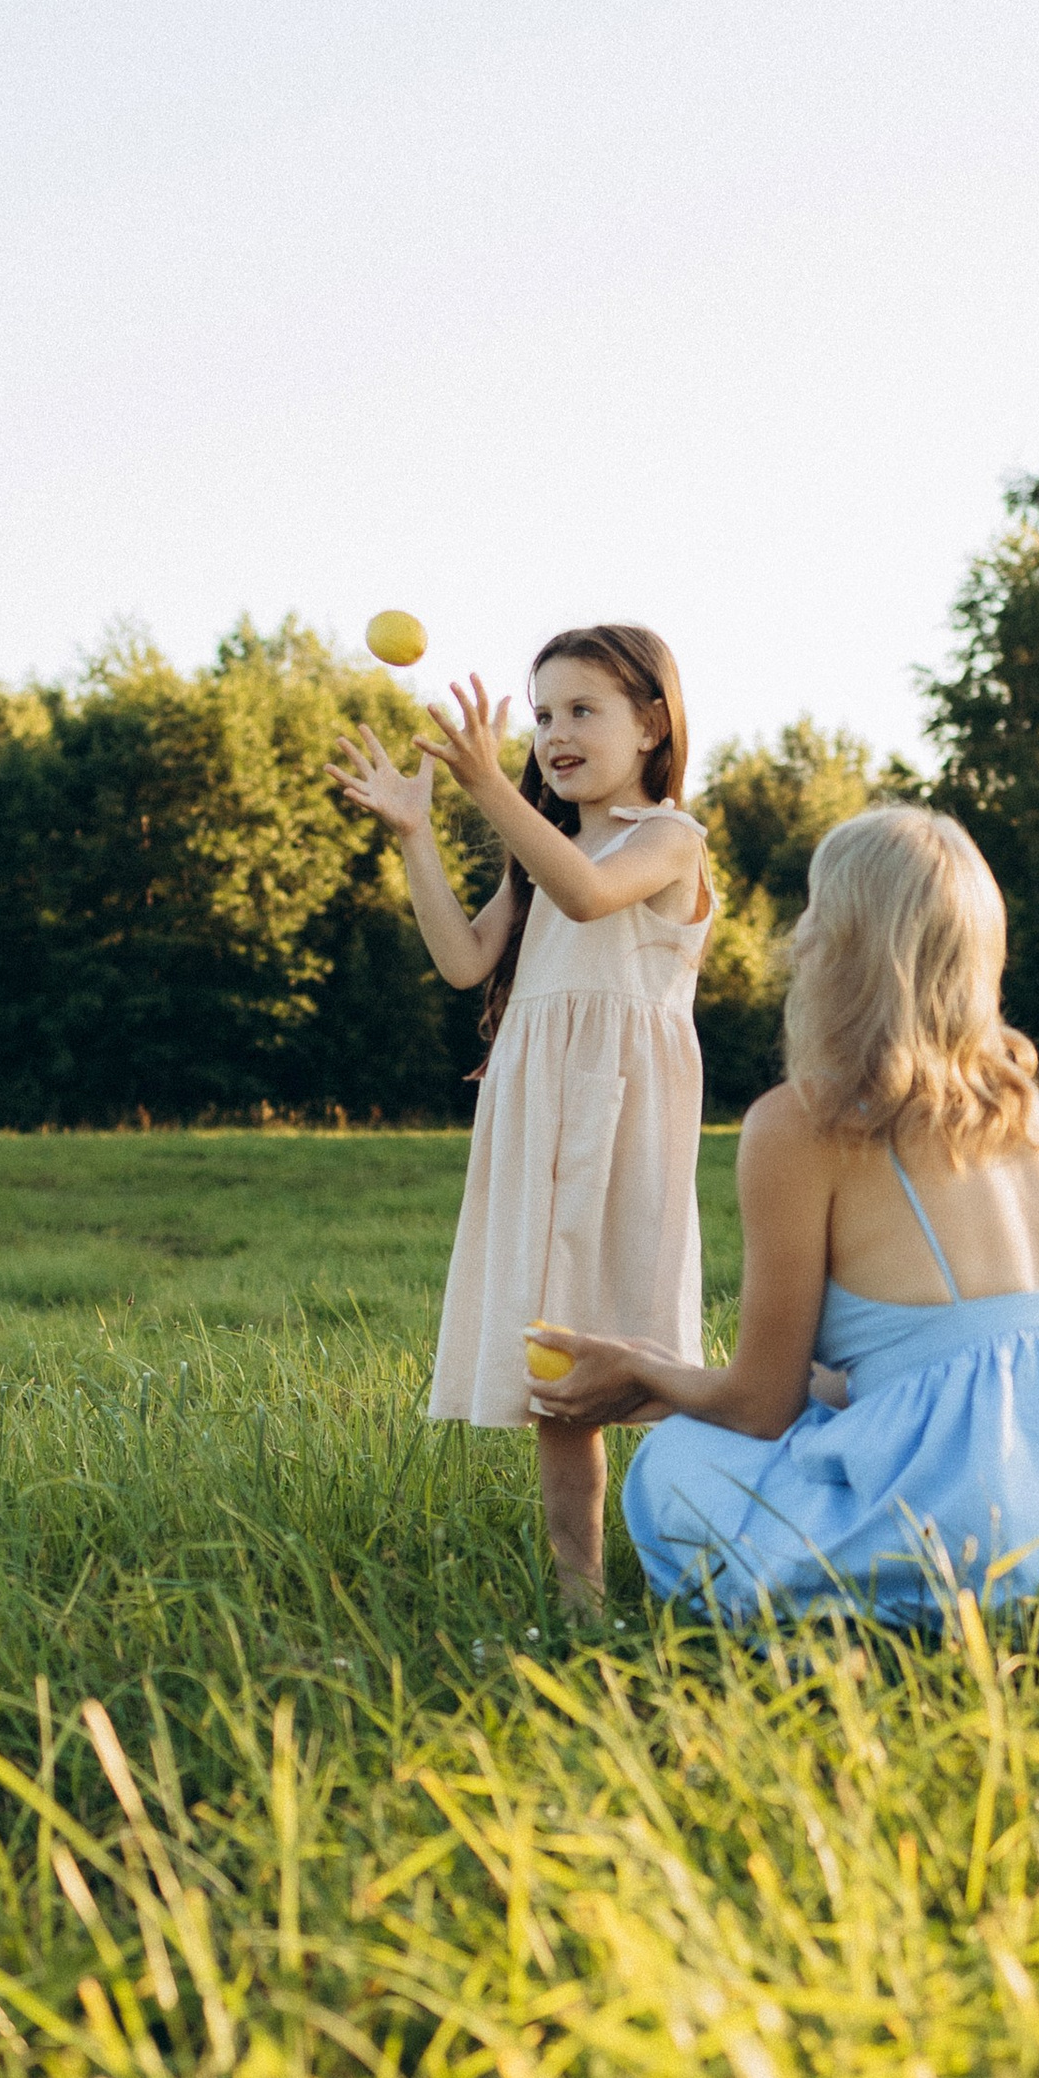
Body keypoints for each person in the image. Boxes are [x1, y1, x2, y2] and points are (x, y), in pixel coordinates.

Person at [530, 805, 1039, 1640]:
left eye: (815, 907)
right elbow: (927, 1358)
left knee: (675, 1464)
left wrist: (643, 1369)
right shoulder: (1018, 1101)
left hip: (974, 1526)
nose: (799, 932)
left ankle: (896, 1622)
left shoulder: (803, 1124)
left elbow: (760, 1408)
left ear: (843, 942)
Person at [332, 624, 714, 1614]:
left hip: (621, 1122)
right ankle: (579, 1599)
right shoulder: (537, 857)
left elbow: (589, 896)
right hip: (539, 1117)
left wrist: (489, 787)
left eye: (583, 710)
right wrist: (416, 835)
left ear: (652, 724)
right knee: (560, 1370)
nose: (555, 734)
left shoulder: (668, 838)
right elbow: (464, 962)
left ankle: (718, 1547)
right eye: (543, 715)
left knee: (642, 1342)